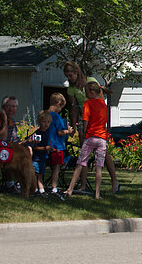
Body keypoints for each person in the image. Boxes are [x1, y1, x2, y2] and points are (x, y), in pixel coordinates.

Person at [63, 61, 119, 194]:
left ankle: (114, 180)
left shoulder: (91, 82)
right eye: (67, 76)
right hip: (85, 120)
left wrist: (97, 124)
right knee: (84, 155)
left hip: (95, 122)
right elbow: (74, 108)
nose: (69, 79)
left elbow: (100, 102)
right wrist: (75, 125)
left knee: (103, 154)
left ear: (76, 72)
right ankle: (83, 185)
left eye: (70, 75)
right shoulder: (71, 89)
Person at [65, 82, 110, 199]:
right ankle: (97, 194)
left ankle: (70, 190)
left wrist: (84, 132)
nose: (85, 95)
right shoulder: (104, 105)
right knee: (99, 166)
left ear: (91, 92)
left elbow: (85, 119)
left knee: (80, 163)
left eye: (86, 92)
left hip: (90, 137)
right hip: (102, 138)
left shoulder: (88, 104)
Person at [0, 95, 27, 193]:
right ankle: (10, 184)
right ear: (3, 108)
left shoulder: (12, 122)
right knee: (8, 154)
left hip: (7, 150)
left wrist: (27, 142)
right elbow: (0, 139)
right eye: (9, 106)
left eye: (14, 106)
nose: (11, 109)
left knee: (27, 151)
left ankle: (26, 185)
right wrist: (4, 122)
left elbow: (16, 142)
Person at [47, 92, 73, 194]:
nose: (60, 109)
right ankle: (54, 188)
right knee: (56, 168)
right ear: (58, 103)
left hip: (47, 145)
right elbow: (60, 132)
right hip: (57, 146)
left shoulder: (44, 114)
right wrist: (69, 131)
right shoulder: (56, 117)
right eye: (61, 107)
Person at [25, 110, 53, 196]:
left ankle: (41, 190)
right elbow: (34, 147)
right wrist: (44, 148)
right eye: (44, 122)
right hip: (36, 158)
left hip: (43, 158)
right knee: (35, 174)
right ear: (39, 122)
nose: (46, 124)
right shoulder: (37, 134)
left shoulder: (48, 133)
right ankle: (34, 188)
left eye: (48, 122)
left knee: (40, 174)